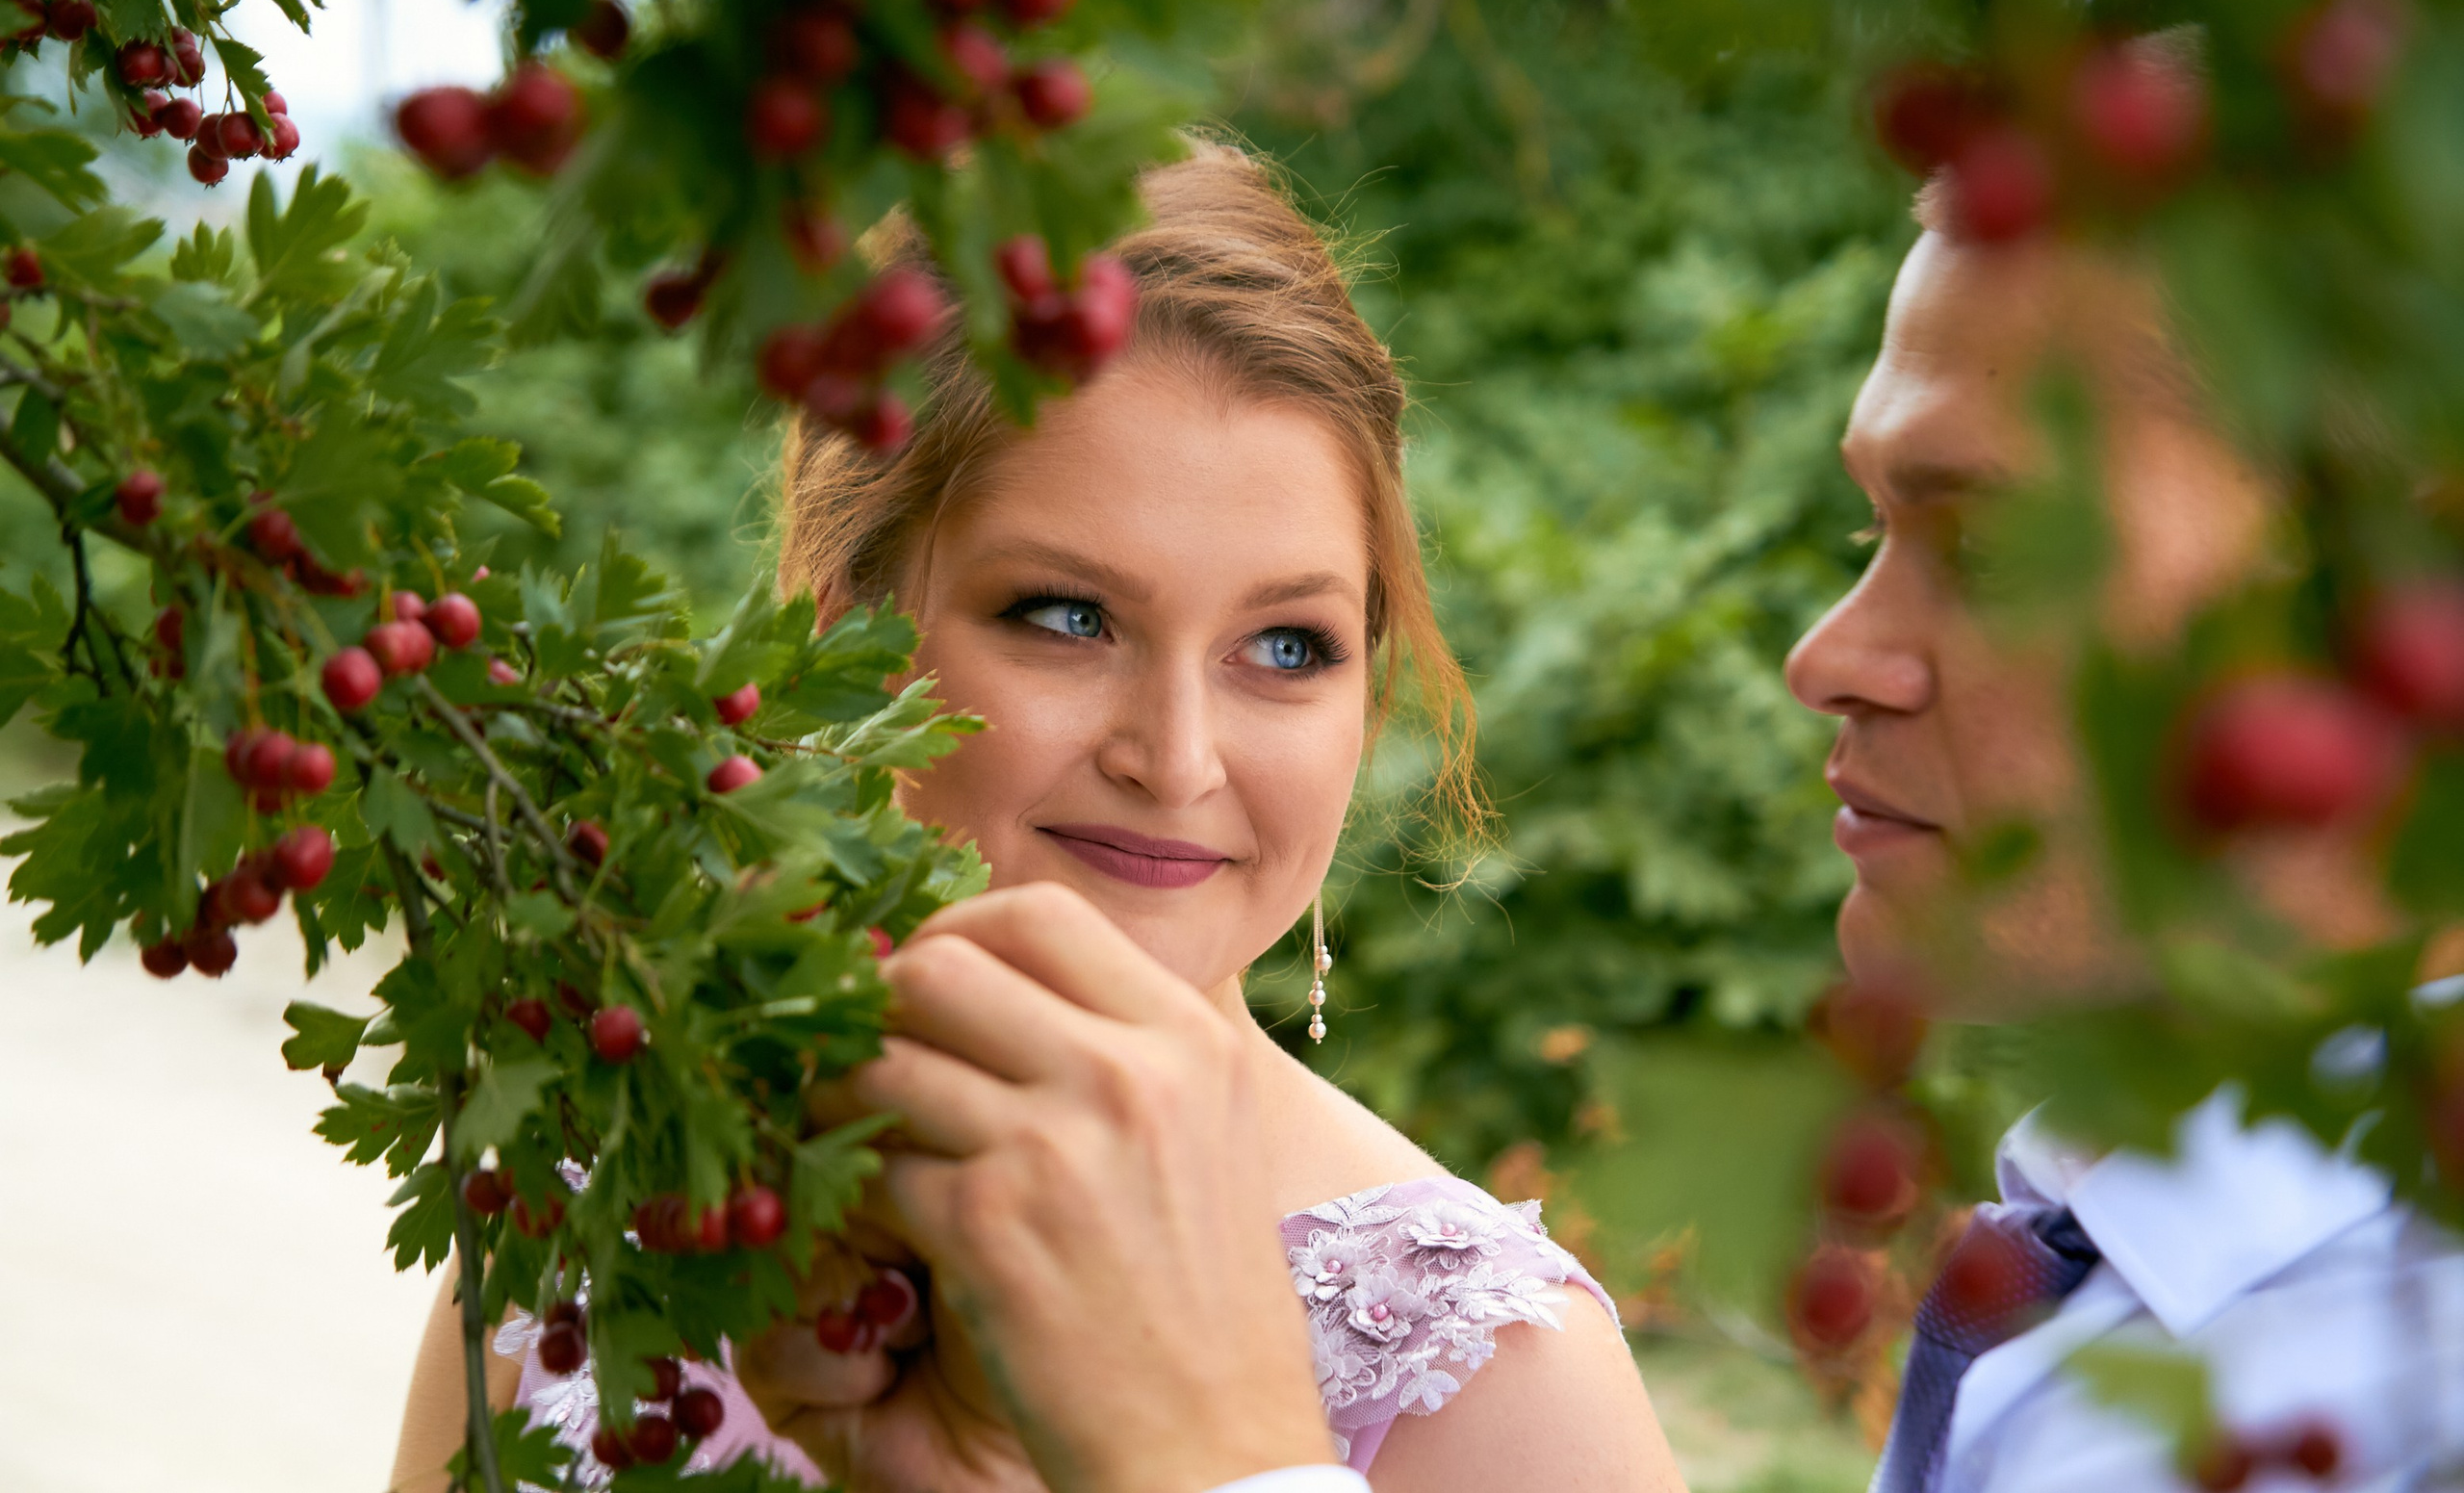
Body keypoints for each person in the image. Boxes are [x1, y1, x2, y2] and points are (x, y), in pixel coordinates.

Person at [804, 152, 2464, 1493]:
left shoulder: (1467, 1347)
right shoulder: (2090, 1298)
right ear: (841, 614)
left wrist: (1210, 1462)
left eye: (1992, 544)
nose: (1826, 656)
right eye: (1066, 617)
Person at [391, 142, 1680, 1492]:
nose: (1177, 759)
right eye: (1070, 618)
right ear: (849, 628)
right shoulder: (605, 1197)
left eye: (1287, 646)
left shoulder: (1499, 1385)